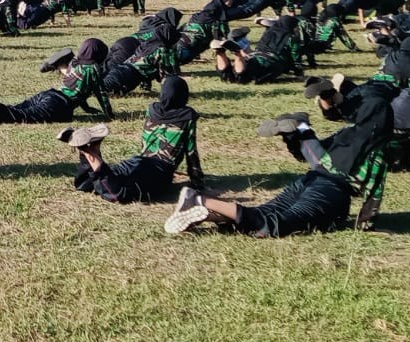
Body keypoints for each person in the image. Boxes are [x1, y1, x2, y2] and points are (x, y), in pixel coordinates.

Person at [165, 83, 394, 236]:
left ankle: (208, 216)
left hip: (309, 180)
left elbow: (314, 151)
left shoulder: (347, 133)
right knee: (276, 226)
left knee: (265, 213)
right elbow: (374, 190)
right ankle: (201, 202)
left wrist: (297, 136)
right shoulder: (377, 151)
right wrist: (366, 224)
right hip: (332, 190)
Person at [64, 75, 203, 203]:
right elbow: (191, 152)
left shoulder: (152, 109)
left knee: (90, 183)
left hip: (139, 160)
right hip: (160, 169)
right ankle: (89, 152)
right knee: (119, 193)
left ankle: (89, 153)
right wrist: (197, 181)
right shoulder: (187, 116)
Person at [0, 38, 111, 125]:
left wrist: (87, 108)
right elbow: (100, 92)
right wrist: (109, 114)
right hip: (60, 105)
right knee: (20, 116)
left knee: (14, 110)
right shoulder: (94, 69)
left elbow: (79, 88)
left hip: (51, 94)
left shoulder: (76, 64)